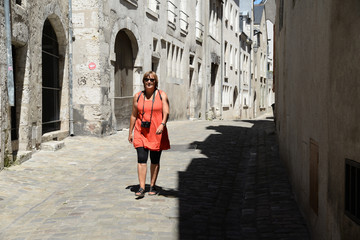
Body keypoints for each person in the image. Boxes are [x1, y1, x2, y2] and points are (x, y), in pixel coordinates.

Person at [128, 71, 170, 197]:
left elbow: (166, 112)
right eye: (147, 79)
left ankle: (152, 185)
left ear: (155, 81)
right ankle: (141, 188)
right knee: (141, 159)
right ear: (143, 81)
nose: (149, 82)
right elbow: (134, 115)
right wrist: (130, 132)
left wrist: (162, 124)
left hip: (157, 132)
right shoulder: (138, 96)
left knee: (155, 160)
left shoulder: (162, 95)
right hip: (141, 131)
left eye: (152, 80)